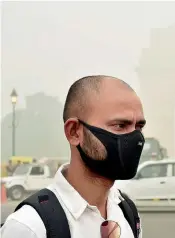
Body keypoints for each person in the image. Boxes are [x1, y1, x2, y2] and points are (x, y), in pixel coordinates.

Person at [1, 76, 146, 238]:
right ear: (74, 132)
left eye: (139, 127)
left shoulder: (127, 212)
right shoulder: (29, 227)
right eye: (120, 125)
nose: (135, 138)